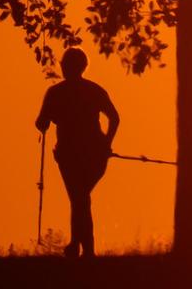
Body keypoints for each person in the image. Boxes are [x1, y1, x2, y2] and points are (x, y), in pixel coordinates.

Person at [34, 47, 119, 257]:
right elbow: (115, 118)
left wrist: (48, 120)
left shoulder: (55, 93)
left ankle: (83, 248)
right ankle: (81, 247)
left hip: (71, 154)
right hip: (94, 153)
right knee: (80, 197)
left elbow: (40, 122)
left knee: (79, 197)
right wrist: (106, 143)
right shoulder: (94, 90)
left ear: (67, 66)